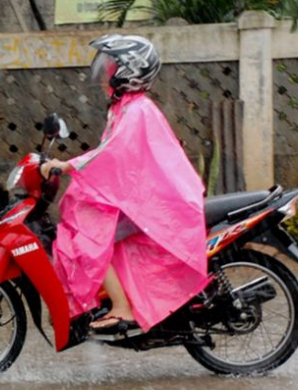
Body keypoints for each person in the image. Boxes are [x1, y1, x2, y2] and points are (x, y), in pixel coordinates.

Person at [40, 34, 209, 332]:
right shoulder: (126, 108)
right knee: (88, 222)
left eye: (110, 68)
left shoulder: (136, 111)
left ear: (128, 73)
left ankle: (122, 308)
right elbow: (113, 155)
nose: (105, 75)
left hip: (156, 204)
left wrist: (67, 165)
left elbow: (112, 154)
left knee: (86, 237)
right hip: (145, 200)